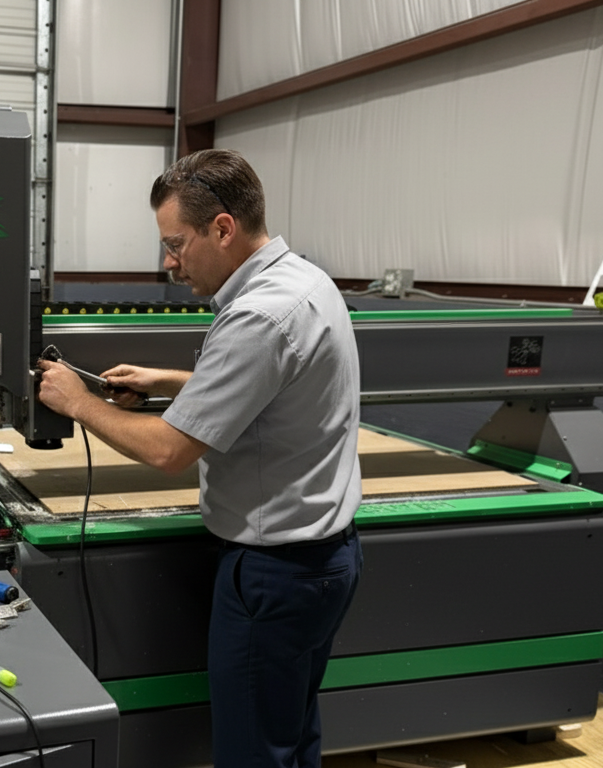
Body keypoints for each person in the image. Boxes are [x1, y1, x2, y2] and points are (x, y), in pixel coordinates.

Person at [36, 148, 363, 768]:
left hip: (275, 575)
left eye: (176, 243)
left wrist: (78, 403)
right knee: (290, 737)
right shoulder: (304, 281)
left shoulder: (258, 316)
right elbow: (272, 387)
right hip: (328, 560)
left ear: (222, 228)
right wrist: (168, 381)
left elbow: (168, 452)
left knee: (251, 754)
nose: (168, 262)